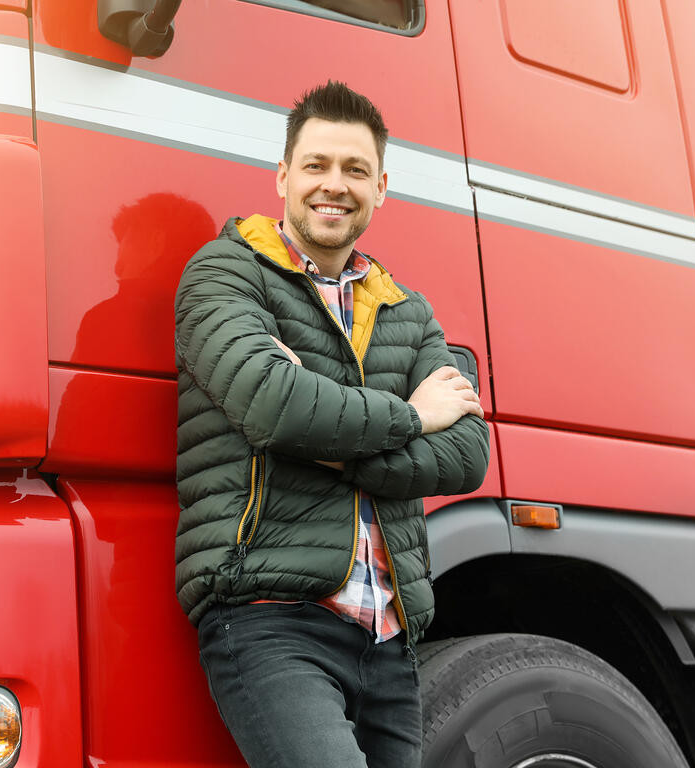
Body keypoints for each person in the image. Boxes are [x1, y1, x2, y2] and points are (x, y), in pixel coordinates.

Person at [174, 81, 489, 768]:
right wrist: (412, 416)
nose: (333, 186)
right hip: (269, 618)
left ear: (381, 186)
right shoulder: (226, 274)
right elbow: (273, 407)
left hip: (389, 638)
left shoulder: (406, 309)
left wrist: (329, 442)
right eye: (316, 165)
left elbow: (466, 454)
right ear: (283, 175)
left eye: (353, 170)